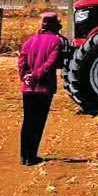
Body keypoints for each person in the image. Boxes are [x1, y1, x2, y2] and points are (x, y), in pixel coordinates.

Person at [17, 11, 69, 166]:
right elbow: (50, 64)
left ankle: (24, 156)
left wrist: (26, 77)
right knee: (38, 122)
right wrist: (36, 76)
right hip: (44, 88)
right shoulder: (56, 42)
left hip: (28, 88)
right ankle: (32, 156)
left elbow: (21, 62)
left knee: (27, 121)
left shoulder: (29, 41)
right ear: (56, 25)